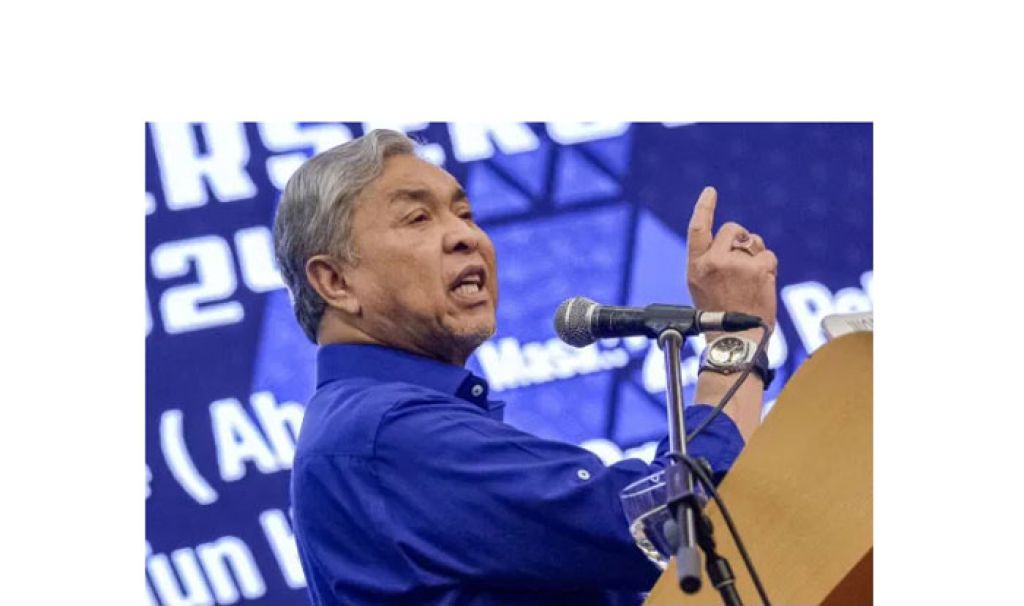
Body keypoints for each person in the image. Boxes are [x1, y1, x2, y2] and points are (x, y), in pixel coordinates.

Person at [273, 129, 778, 606]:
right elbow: (670, 524)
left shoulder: (376, 426)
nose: (465, 236)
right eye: (417, 219)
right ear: (335, 281)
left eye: (465, 214)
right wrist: (734, 343)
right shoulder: (385, 434)